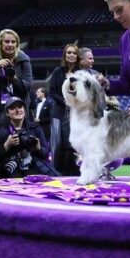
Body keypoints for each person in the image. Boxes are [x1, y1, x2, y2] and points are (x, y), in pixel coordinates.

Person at [0, 97, 58, 179]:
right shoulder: (1, 131)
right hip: (10, 170)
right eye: (13, 108)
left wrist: (38, 149)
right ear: (7, 113)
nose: (17, 110)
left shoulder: (35, 127)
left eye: (20, 107)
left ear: (25, 110)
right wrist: (7, 145)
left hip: (33, 167)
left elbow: (46, 154)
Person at [0, 29, 33, 128]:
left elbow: (28, 86)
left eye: (13, 42)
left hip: (18, 107)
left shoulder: (24, 59)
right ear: (0, 43)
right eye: (6, 41)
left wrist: (14, 79)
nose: (10, 44)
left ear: (17, 44)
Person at [49, 44, 81, 175]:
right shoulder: (58, 71)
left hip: (77, 114)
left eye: (74, 53)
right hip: (59, 114)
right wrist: (66, 102)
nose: (71, 55)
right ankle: (57, 173)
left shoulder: (81, 73)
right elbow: (52, 91)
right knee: (58, 145)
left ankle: (76, 173)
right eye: (69, 52)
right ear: (65, 55)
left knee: (75, 145)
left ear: (77, 56)